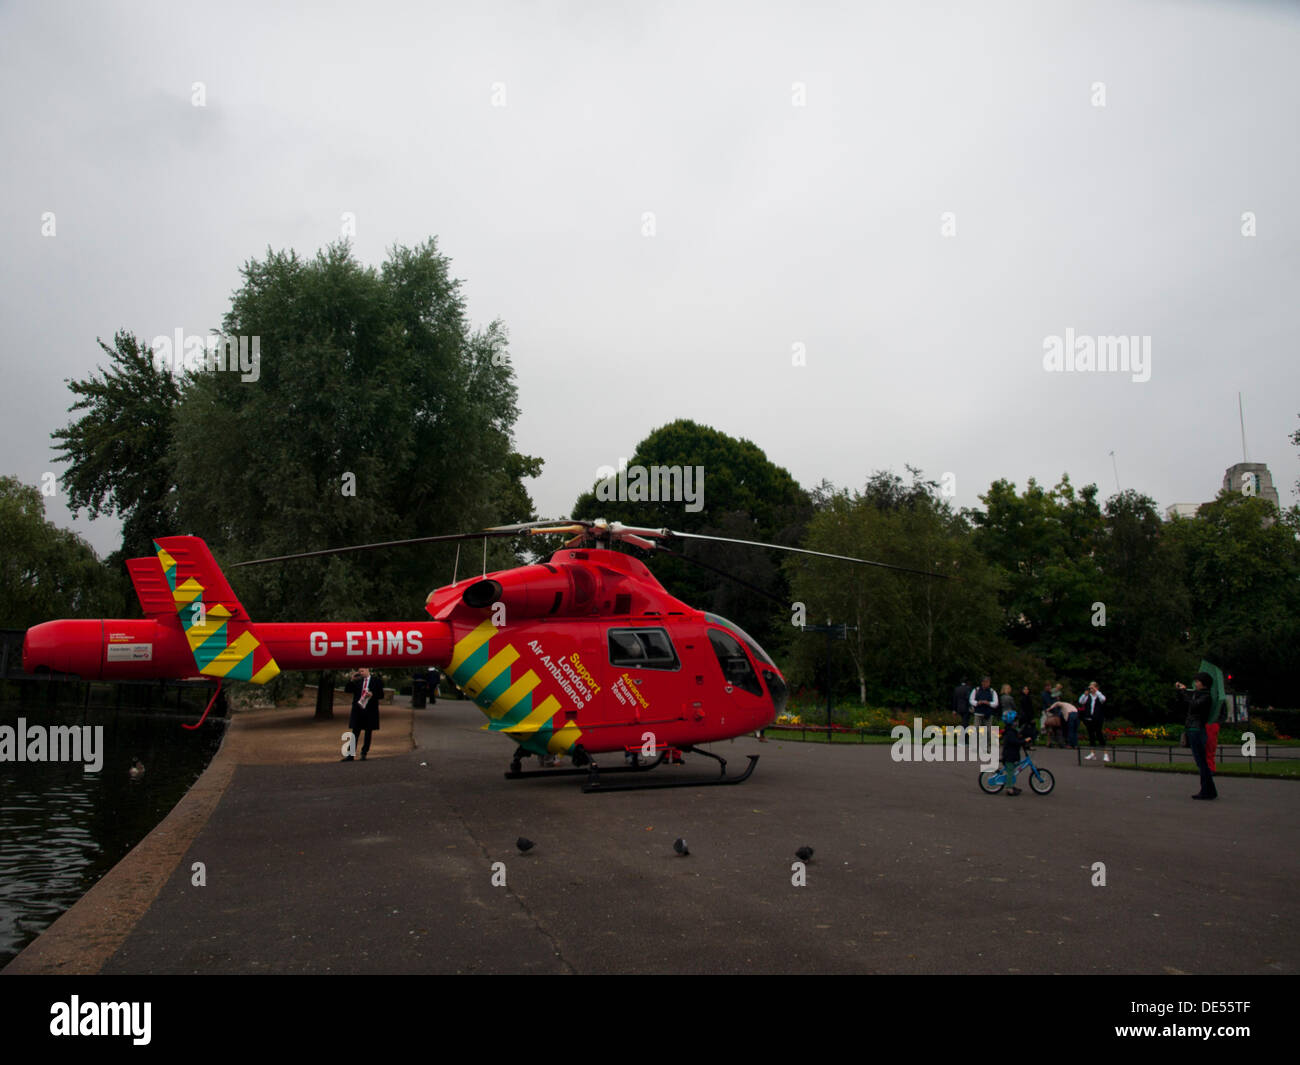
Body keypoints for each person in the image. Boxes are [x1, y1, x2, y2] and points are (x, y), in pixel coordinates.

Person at [1176, 673, 1217, 800]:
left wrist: (1184, 693)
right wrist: (1181, 692)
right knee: (1201, 762)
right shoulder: (1199, 694)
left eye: (1197, 681)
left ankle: (1207, 790)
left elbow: (1192, 705)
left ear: (1203, 683)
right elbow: (1185, 702)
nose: (1195, 683)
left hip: (1197, 729)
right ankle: (1209, 790)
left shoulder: (1206, 696)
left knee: (1201, 762)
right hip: (1194, 728)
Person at [344, 667, 384, 761]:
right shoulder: (358, 681)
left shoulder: (376, 681)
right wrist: (352, 680)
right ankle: (350, 755)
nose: (361, 673)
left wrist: (372, 694)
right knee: (355, 732)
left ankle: (364, 753)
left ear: (368, 670)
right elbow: (347, 690)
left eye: (362, 671)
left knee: (368, 732)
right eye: (359, 671)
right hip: (358, 710)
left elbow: (381, 695)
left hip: (370, 710)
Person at [1080, 682, 1108, 761]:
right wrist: (1085, 694)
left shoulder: (1099, 696)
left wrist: (1097, 691)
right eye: (1090, 688)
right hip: (1089, 718)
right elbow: (1081, 701)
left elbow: (1103, 699)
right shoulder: (1088, 696)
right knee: (1091, 735)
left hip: (1098, 718)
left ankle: (1105, 753)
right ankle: (1092, 753)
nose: (1091, 689)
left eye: (1092, 688)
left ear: (1096, 688)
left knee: (1099, 734)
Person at [1000, 709, 1024, 796]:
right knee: (1010, 771)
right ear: (1011, 722)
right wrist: (1022, 742)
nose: (1017, 723)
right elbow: (1014, 741)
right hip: (1009, 755)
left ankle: (1011, 785)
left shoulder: (1012, 731)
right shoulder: (1010, 732)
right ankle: (1009, 788)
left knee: (1012, 770)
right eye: (1015, 721)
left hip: (1012, 754)